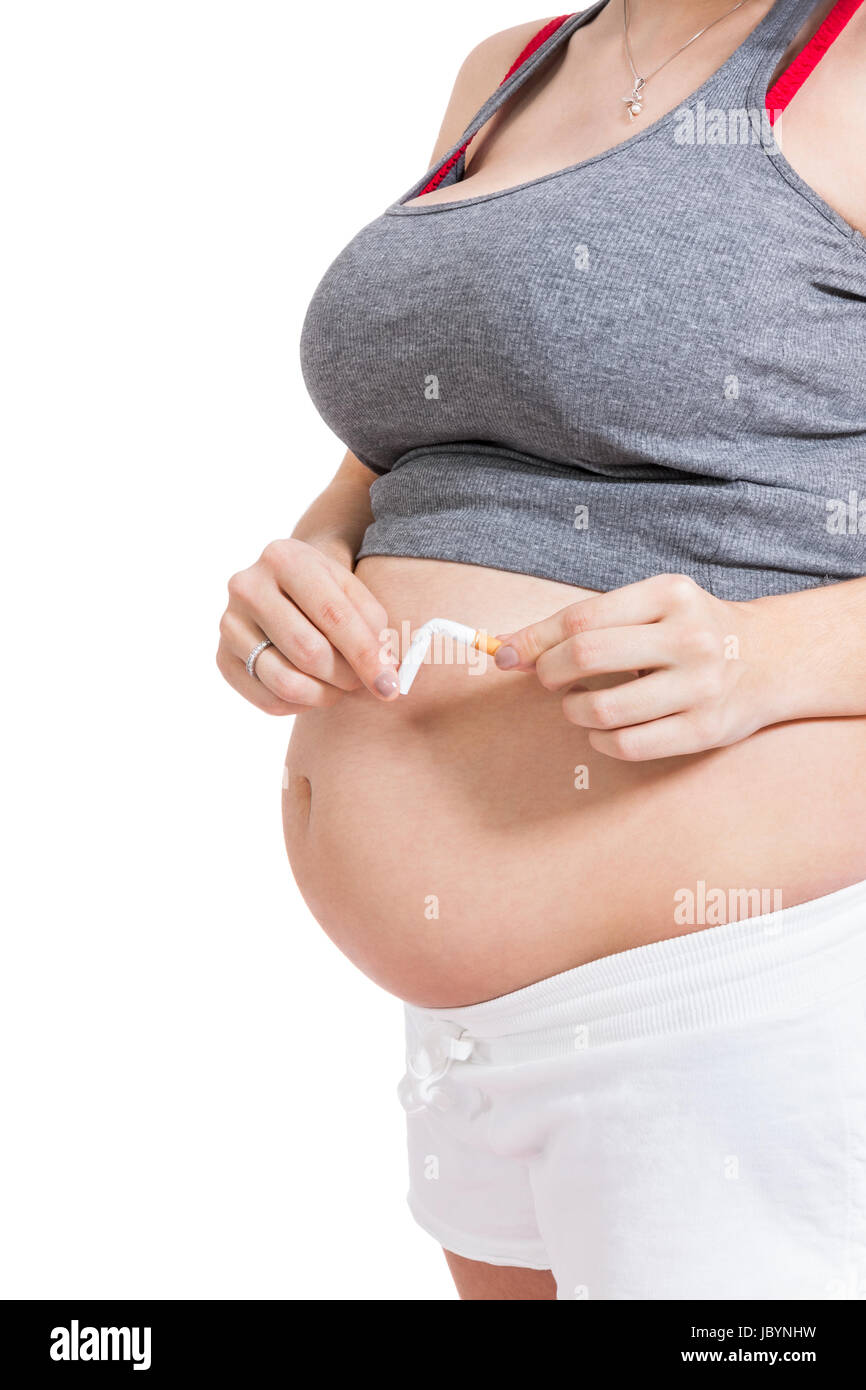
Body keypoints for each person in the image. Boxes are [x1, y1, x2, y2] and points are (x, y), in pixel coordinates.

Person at [217, 0, 866, 1300]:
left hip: (736, 995)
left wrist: (761, 658)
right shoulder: (504, 72)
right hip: (472, 1037)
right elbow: (418, 440)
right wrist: (308, 565)